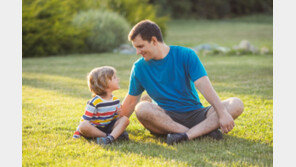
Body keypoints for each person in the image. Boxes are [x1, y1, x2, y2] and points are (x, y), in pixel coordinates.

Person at [121, 20, 244, 145]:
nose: (137, 52)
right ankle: (199, 132)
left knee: (236, 104)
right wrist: (112, 126)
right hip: (165, 119)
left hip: (196, 114)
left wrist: (222, 113)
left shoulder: (186, 55)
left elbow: (203, 84)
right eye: (135, 48)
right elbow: (131, 101)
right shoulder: (139, 68)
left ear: (153, 41)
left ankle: (186, 135)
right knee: (142, 108)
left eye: (140, 46)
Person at [73, 66, 130, 145]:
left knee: (125, 119)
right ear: (105, 83)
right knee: (83, 125)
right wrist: (76, 134)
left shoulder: (116, 100)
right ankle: (110, 137)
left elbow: (114, 119)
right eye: (114, 77)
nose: (118, 79)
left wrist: (119, 115)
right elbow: (84, 121)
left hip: (108, 127)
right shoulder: (95, 102)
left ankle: (109, 138)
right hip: (95, 129)